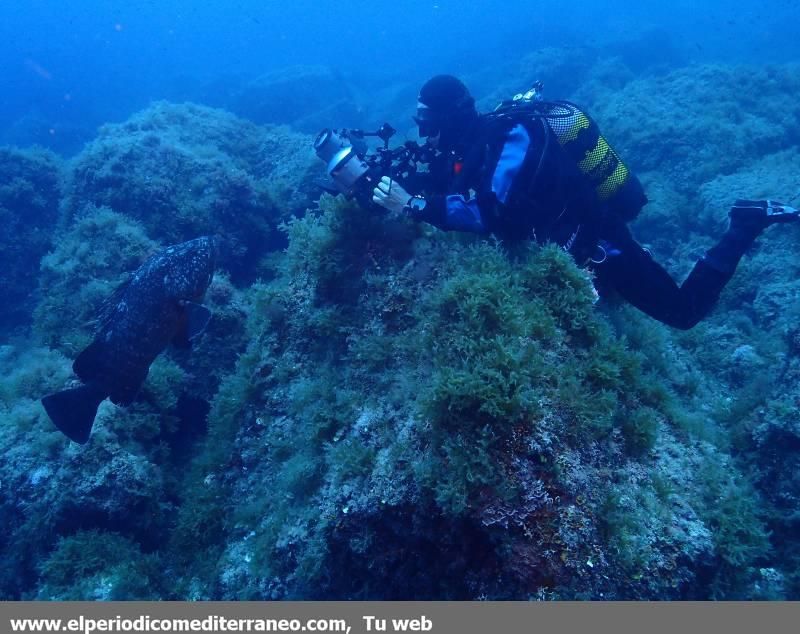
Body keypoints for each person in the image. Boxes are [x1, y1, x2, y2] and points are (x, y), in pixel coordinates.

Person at [371, 74, 799, 330]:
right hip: (562, 241)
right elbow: (454, 181)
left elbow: (487, 212)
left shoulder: (510, 139)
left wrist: (414, 205)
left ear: (450, 118)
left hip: (597, 241)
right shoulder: (474, 143)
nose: (425, 135)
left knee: (682, 313)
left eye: (428, 124)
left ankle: (745, 224)